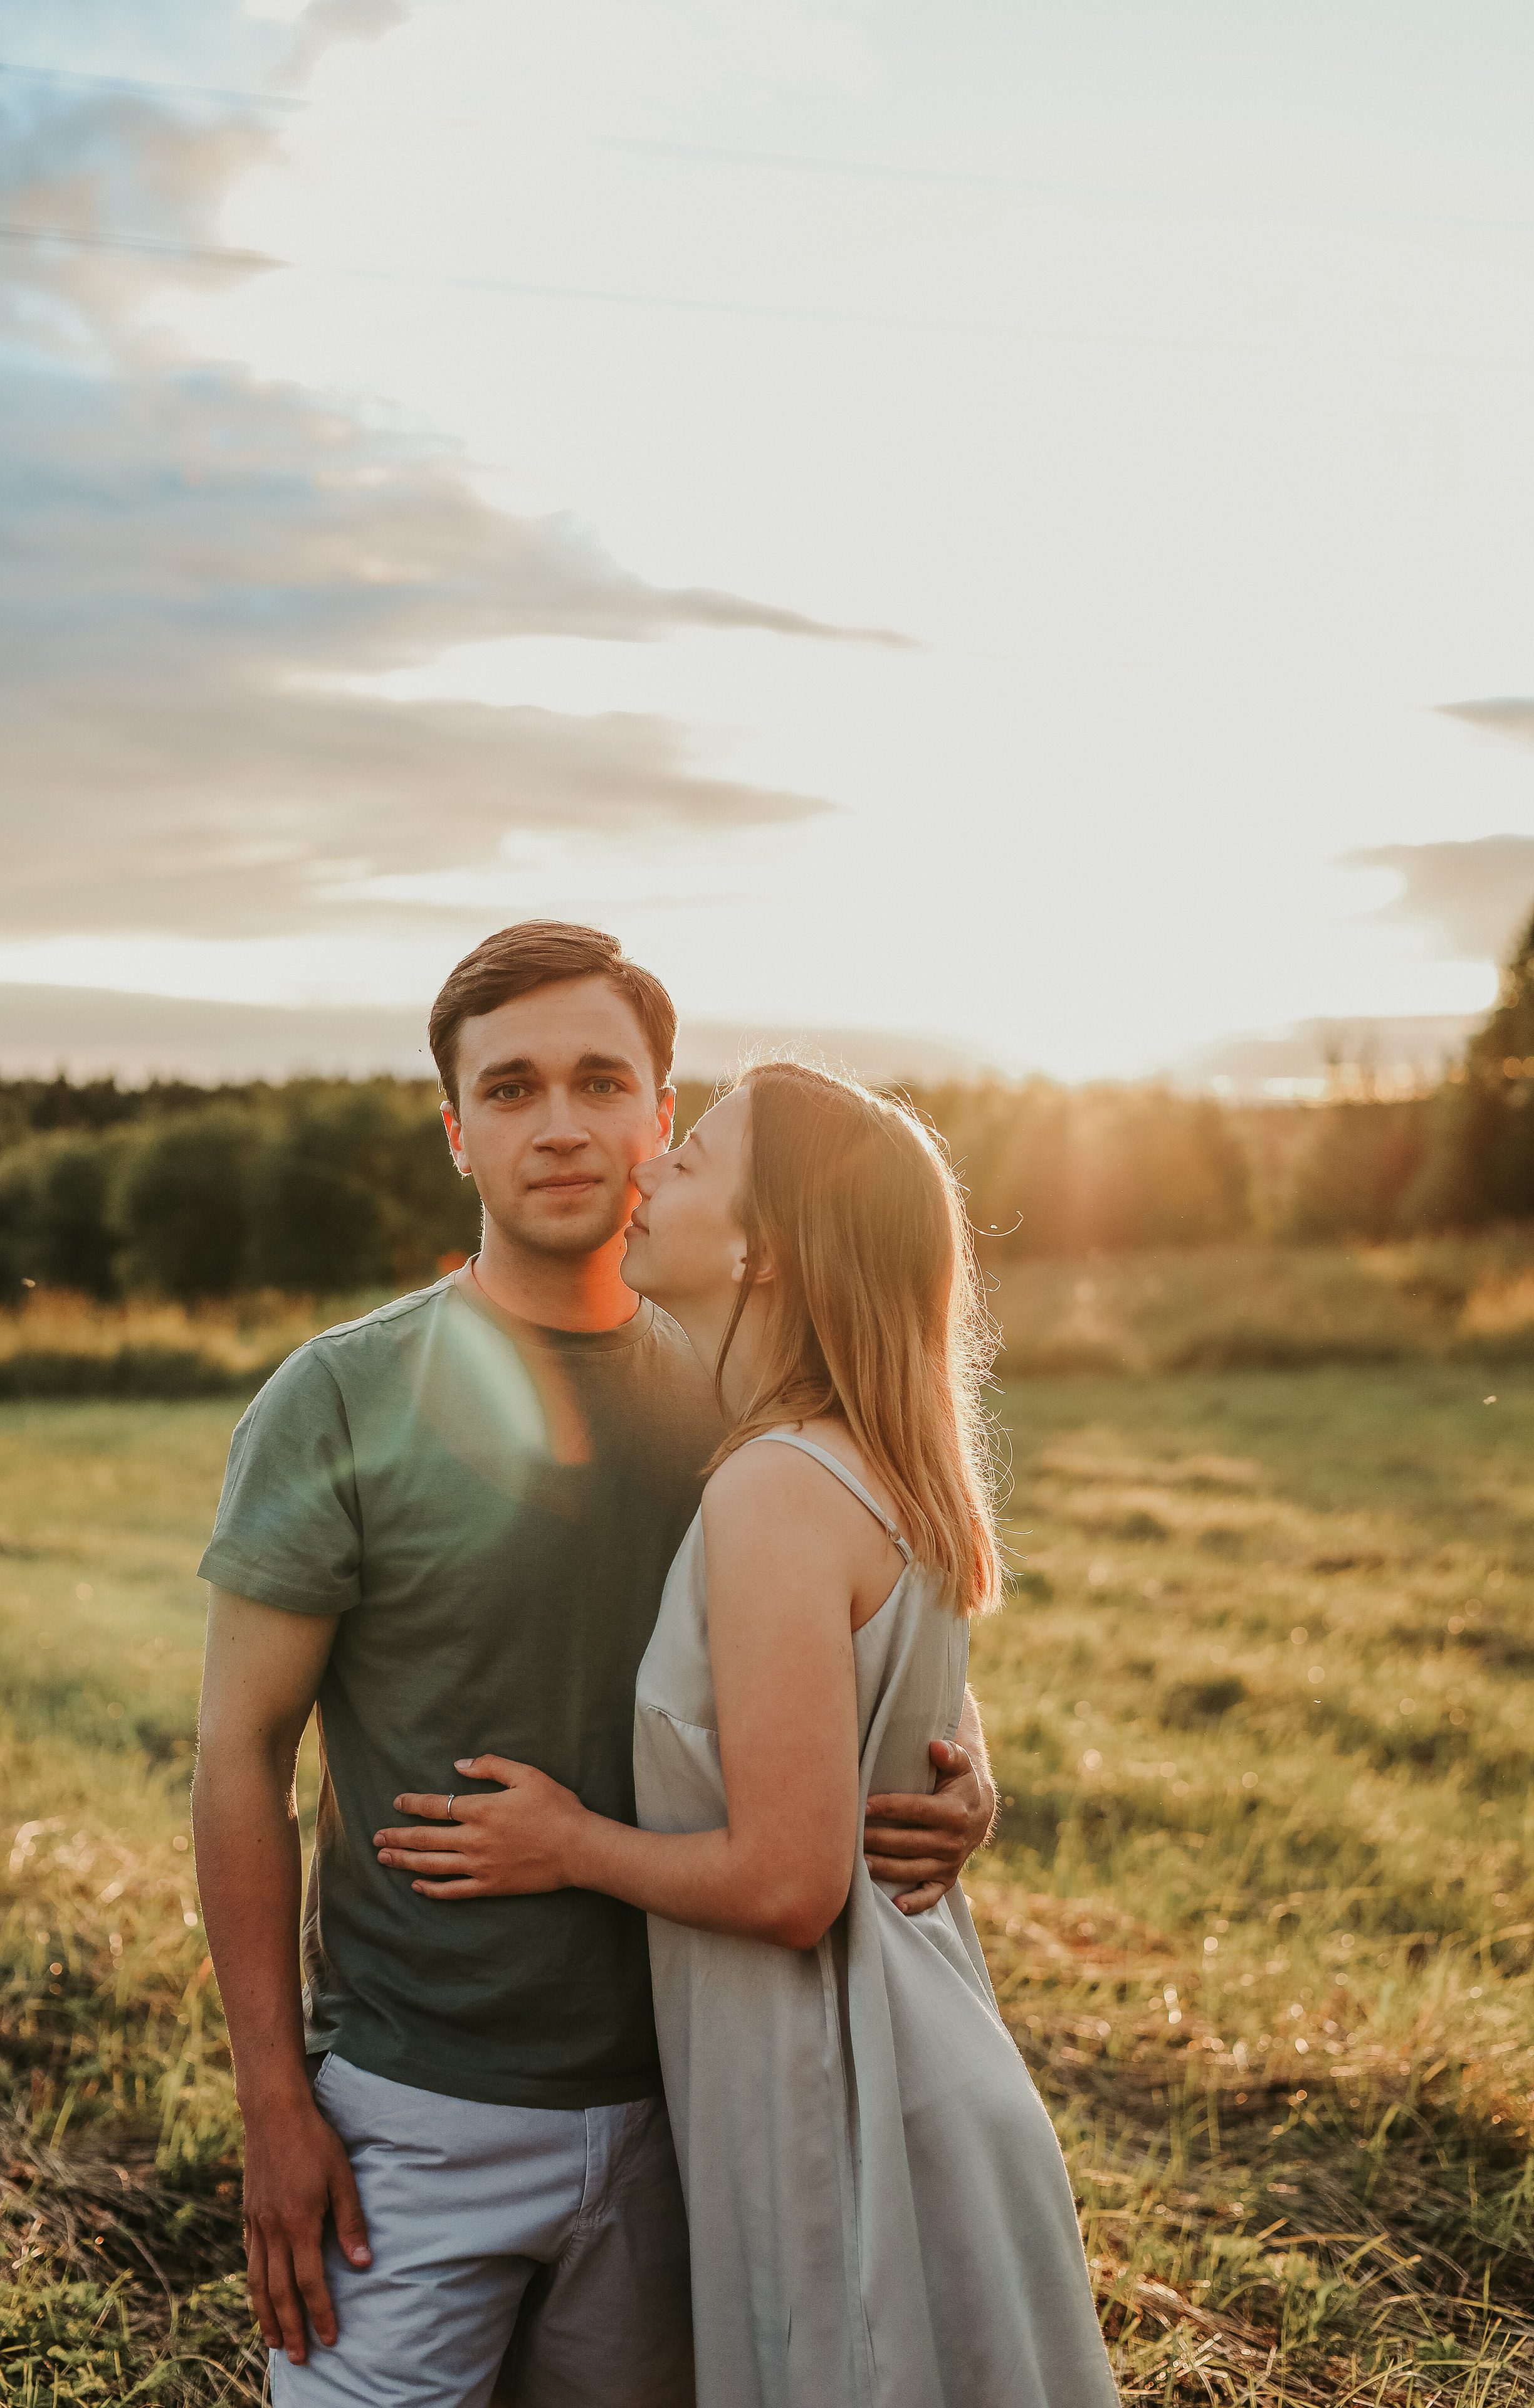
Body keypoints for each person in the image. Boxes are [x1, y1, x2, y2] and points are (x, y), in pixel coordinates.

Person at [191, 923, 997, 2408]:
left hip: (689, 2113)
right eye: (506, 1091)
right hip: (412, 2114)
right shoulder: (337, 1400)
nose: (556, 1124)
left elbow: (855, 1625)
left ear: (659, 1120)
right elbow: (238, 1755)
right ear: (455, 1134)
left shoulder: (740, 1393)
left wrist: (955, 1770)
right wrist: (271, 2102)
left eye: (597, 1082)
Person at [373, 1060, 1118, 2408]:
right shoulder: (849, 1458)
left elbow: (785, 1883)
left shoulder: (773, 1487)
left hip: (846, 2105)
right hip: (908, 2077)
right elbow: (892, 1695)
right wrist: (965, 1767)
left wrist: (566, 1844)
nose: (644, 1167)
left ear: (762, 1249)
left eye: (692, 1159)